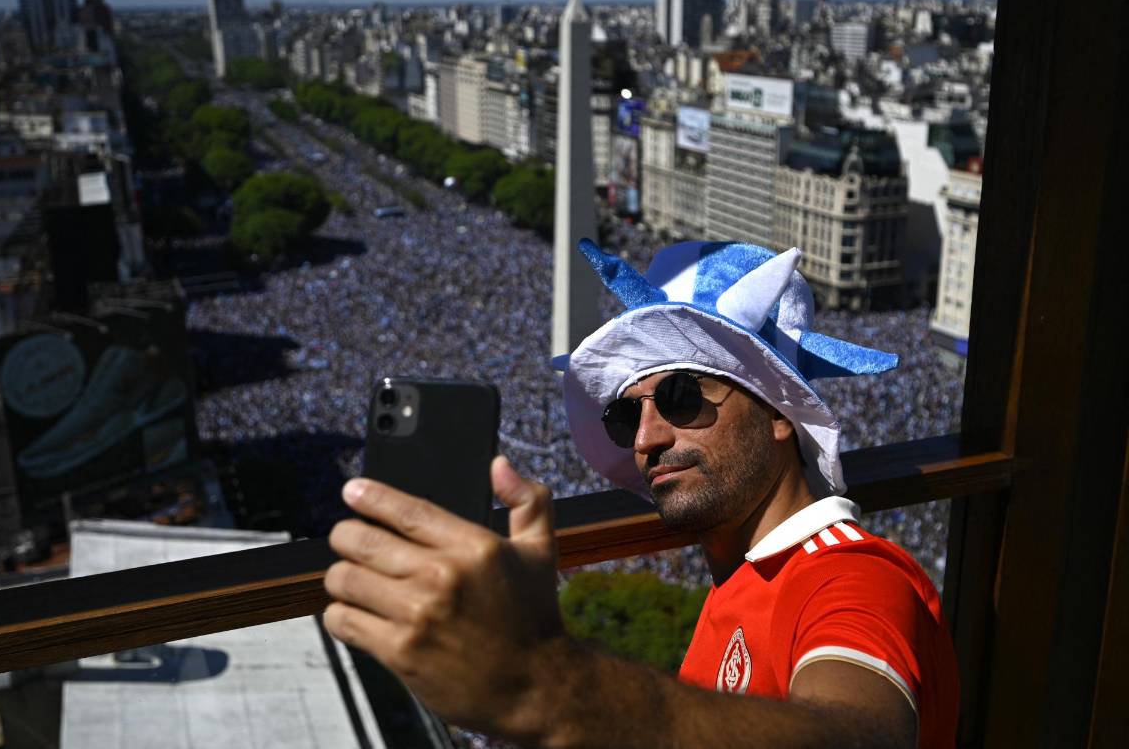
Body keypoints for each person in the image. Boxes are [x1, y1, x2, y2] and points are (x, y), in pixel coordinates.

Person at [322, 240, 960, 748]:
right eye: (625, 418)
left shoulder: (851, 576)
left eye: (682, 398)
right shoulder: (740, 578)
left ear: (778, 413)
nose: (646, 439)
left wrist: (542, 686)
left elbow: (865, 734)